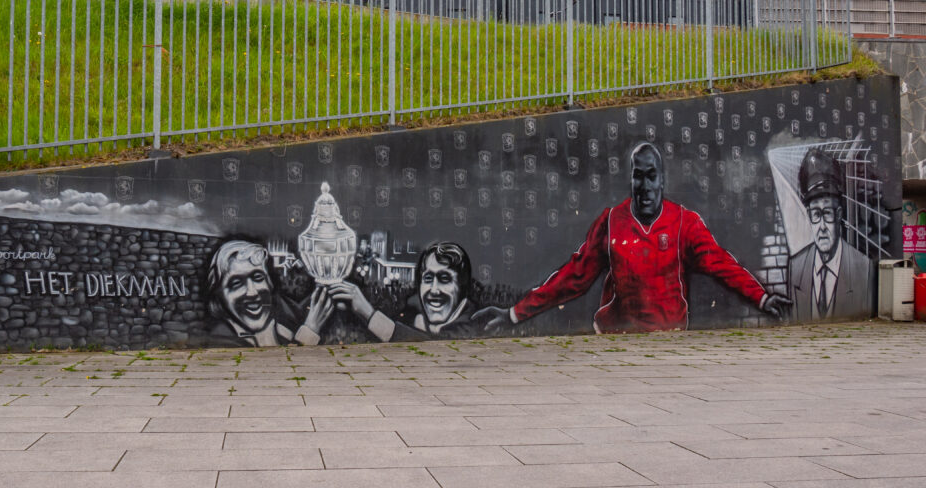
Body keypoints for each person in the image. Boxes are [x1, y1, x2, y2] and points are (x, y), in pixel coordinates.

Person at [474, 142, 790, 334]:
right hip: (613, 337)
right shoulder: (611, 222)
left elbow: (723, 264)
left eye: (651, 176)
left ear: (662, 181)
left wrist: (762, 297)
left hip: (668, 339)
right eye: (638, 176)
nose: (644, 185)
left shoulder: (685, 224)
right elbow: (573, 277)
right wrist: (516, 314)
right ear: (630, 178)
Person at [329, 242, 479, 341]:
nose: (434, 290)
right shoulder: (414, 317)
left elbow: (431, 347)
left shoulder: (476, 324)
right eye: (428, 279)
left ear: (462, 286)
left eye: (444, 279)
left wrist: (368, 313)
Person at [787, 149, 871, 321]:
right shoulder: (796, 268)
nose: (822, 227)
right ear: (809, 217)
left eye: (828, 214)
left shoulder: (862, 268)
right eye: (816, 215)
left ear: (839, 214)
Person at [206, 240, 333, 346]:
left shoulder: (282, 327)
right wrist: (309, 333)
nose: (252, 292)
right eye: (236, 284)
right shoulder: (222, 341)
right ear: (219, 298)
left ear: (269, 283)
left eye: (258, 278)